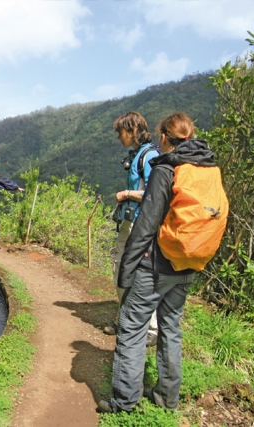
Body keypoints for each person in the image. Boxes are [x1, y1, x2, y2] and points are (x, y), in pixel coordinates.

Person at [98, 112, 218, 413]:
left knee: (132, 325)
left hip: (159, 261)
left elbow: (147, 224)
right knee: (170, 327)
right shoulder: (206, 166)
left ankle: (124, 403)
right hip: (190, 259)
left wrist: (127, 267)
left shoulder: (167, 168)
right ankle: (166, 398)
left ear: (164, 136)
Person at [105, 111, 159, 346]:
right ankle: (127, 319)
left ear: (132, 131)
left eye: (121, 132)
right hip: (129, 222)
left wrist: (126, 194)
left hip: (140, 224)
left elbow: (154, 192)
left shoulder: (149, 157)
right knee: (121, 268)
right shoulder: (139, 155)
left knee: (140, 273)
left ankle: (150, 329)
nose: (119, 137)